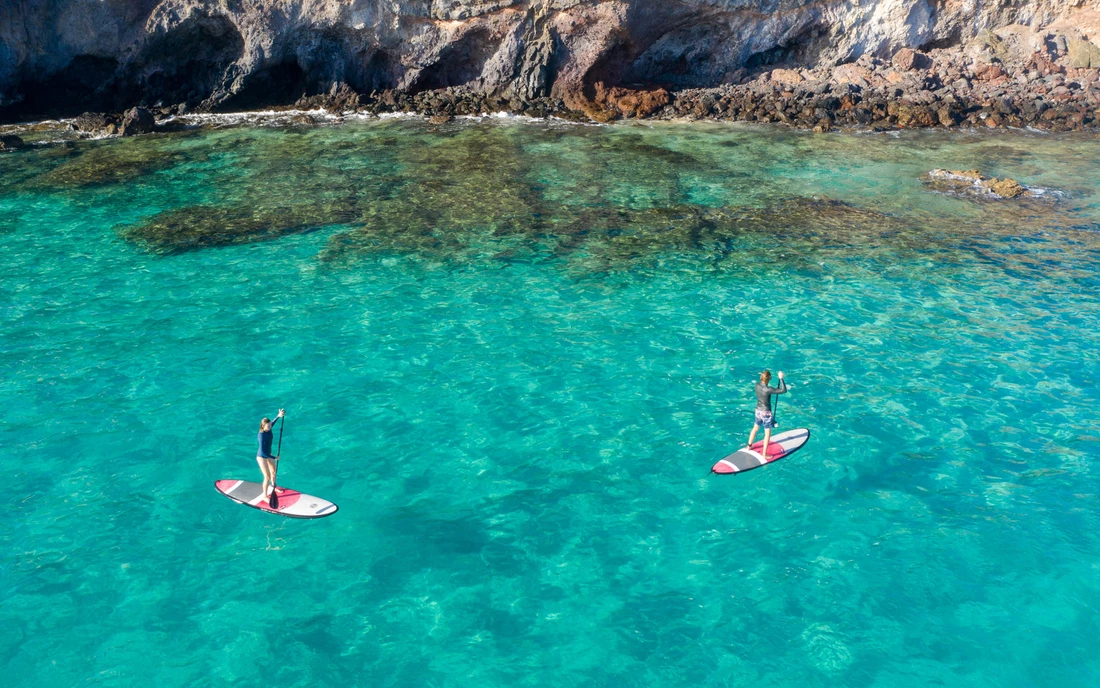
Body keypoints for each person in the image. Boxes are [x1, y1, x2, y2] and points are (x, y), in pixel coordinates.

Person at [748, 370, 786, 458]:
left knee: (755, 428)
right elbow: (783, 390)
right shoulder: (768, 389)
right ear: (769, 379)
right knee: (767, 433)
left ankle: (749, 446)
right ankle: (764, 454)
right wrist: (781, 378)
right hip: (766, 413)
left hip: (758, 410)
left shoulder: (757, 385)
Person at [257, 409, 285, 503]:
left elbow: (273, 422)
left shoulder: (269, 427)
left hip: (269, 454)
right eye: (268, 426)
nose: (270, 427)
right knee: (267, 476)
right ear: (263, 426)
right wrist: (274, 458)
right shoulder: (261, 436)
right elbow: (263, 451)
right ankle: (264, 496)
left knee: (273, 472)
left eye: (270, 425)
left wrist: (279, 415)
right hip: (262, 456)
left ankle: (273, 487)